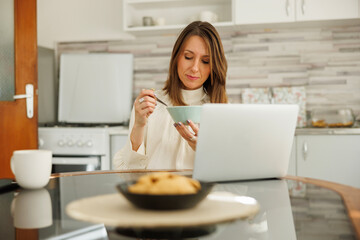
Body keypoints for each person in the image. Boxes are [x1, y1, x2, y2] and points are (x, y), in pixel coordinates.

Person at [113, 21, 228, 170]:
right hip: (155, 190)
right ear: (176, 57)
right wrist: (139, 125)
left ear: (213, 66)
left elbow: (226, 175)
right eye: (188, 57)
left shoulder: (221, 112)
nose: (194, 68)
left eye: (205, 61)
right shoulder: (151, 104)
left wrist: (205, 151)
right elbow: (130, 171)